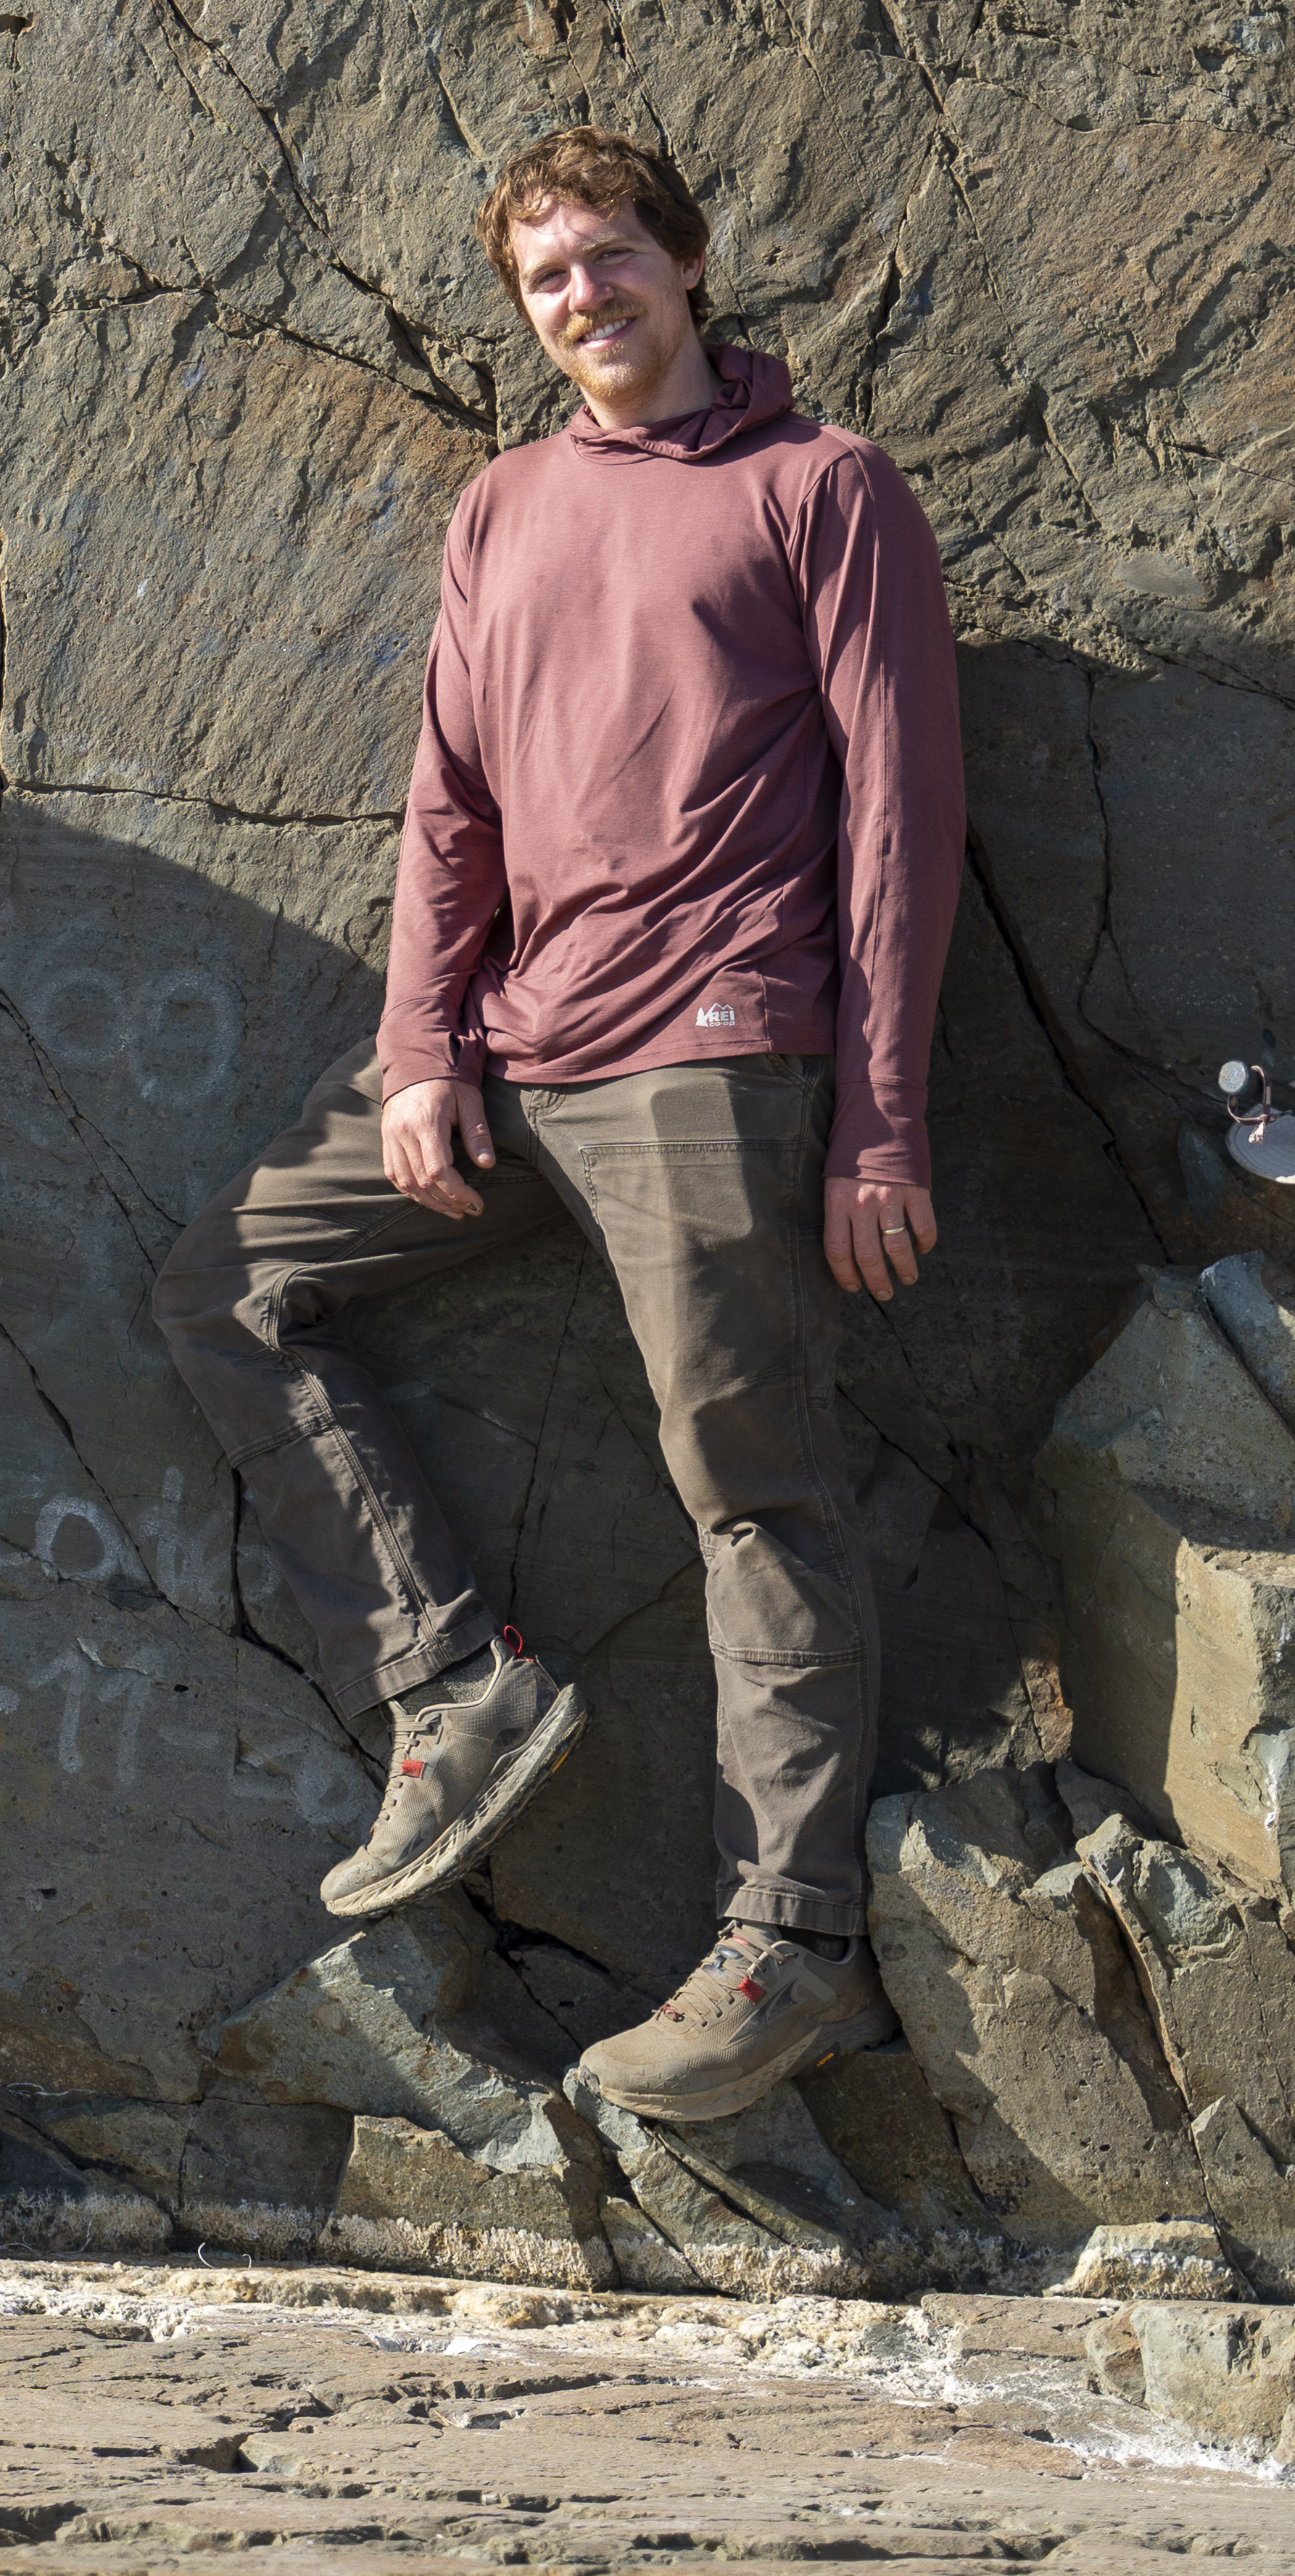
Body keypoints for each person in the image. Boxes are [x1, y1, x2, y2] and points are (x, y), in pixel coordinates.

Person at [148, 125, 963, 2124]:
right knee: (235, 1284)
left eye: (609, 260)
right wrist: (420, 1046)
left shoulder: (821, 489)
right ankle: (453, 1685)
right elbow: (451, 808)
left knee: (753, 1495)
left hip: (714, 1056)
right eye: (544, 281)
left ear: (687, 266)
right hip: (511, 1053)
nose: (583, 299)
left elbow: (900, 819)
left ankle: (793, 1945)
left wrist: (877, 1122)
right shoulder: (504, 505)